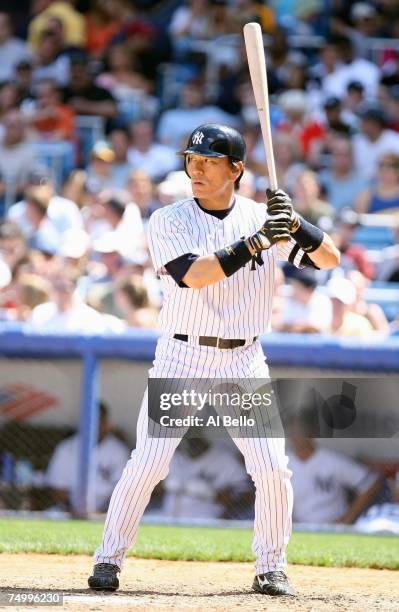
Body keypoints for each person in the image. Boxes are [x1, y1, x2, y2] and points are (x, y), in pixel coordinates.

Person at [88, 123, 339, 596]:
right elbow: (195, 275)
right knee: (150, 462)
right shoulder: (169, 219)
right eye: (192, 160)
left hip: (243, 361)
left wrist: (297, 223)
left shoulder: (261, 218)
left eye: (208, 161)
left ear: (236, 169)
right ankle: (108, 558)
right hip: (183, 356)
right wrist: (259, 240)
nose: (196, 169)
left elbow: (329, 260)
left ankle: (271, 565)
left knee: (270, 467)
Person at [287, 412, 381, 524]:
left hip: (332, 528)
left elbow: (371, 482)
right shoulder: (284, 461)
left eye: (300, 431)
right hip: (300, 527)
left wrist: (346, 518)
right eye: (292, 432)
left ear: (311, 433)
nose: (296, 436)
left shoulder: (331, 460)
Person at [46, 402, 130, 513]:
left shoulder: (119, 450)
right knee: (52, 514)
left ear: (106, 424)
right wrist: (72, 510)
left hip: (110, 511)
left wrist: (101, 512)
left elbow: (123, 490)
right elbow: (57, 488)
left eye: (98, 420)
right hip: (70, 510)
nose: (93, 425)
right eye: (89, 420)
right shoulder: (66, 448)